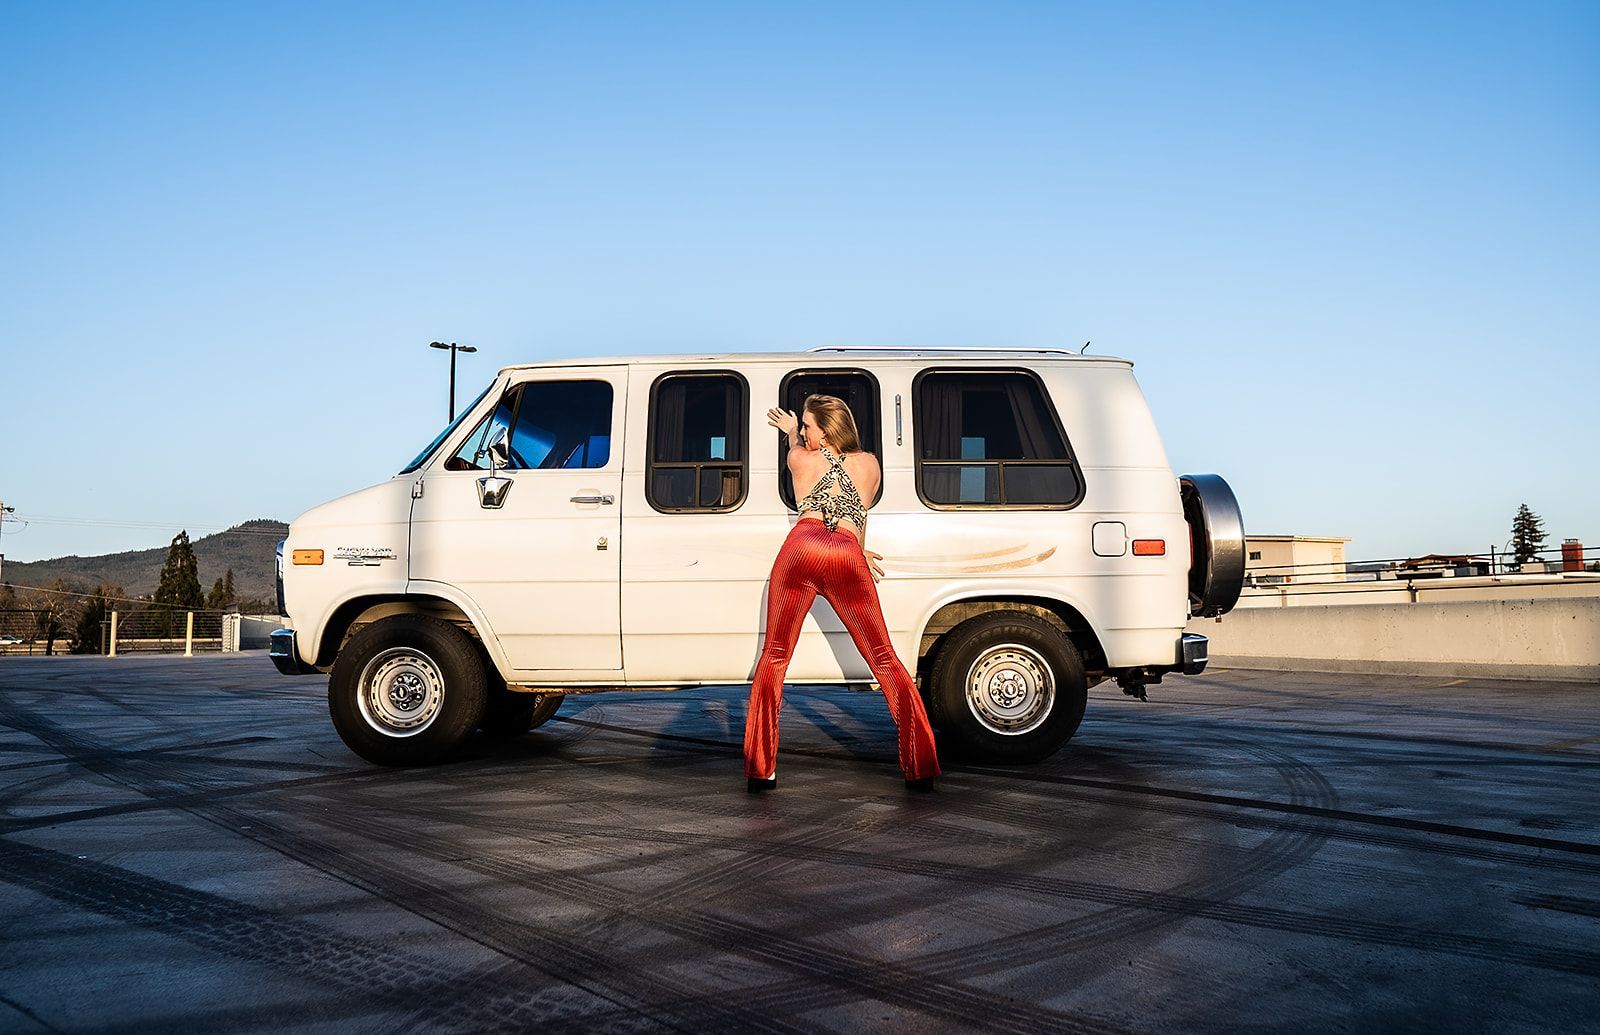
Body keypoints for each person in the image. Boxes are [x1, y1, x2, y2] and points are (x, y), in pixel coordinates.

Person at [743, 394, 941, 793]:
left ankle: (760, 771)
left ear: (826, 429)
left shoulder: (799, 458)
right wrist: (857, 550)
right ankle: (920, 767)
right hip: (846, 551)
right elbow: (858, 514)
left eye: (808, 427)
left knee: (775, 656)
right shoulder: (869, 464)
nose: (803, 433)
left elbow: (799, 456)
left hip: (800, 548)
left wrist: (788, 437)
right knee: (884, 658)